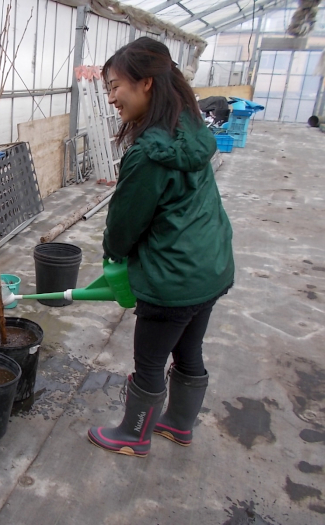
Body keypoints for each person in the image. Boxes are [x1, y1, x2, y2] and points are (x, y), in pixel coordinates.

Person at [86, 37, 234, 457]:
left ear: (146, 83)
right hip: (210, 266)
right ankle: (179, 425)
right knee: (189, 350)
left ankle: (134, 435)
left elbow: (125, 222)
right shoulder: (189, 128)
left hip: (172, 277)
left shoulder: (150, 152)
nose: (111, 97)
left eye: (116, 86)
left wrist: (114, 255)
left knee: (149, 362)